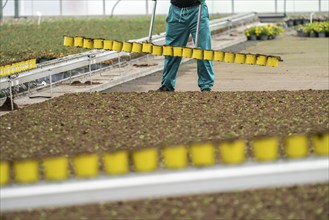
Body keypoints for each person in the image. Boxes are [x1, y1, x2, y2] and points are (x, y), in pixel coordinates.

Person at [157, 0, 215, 92]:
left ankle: (206, 86)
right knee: (171, 50)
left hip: (197, 10)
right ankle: (167, 85)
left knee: (203, 49)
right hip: (175, 12)